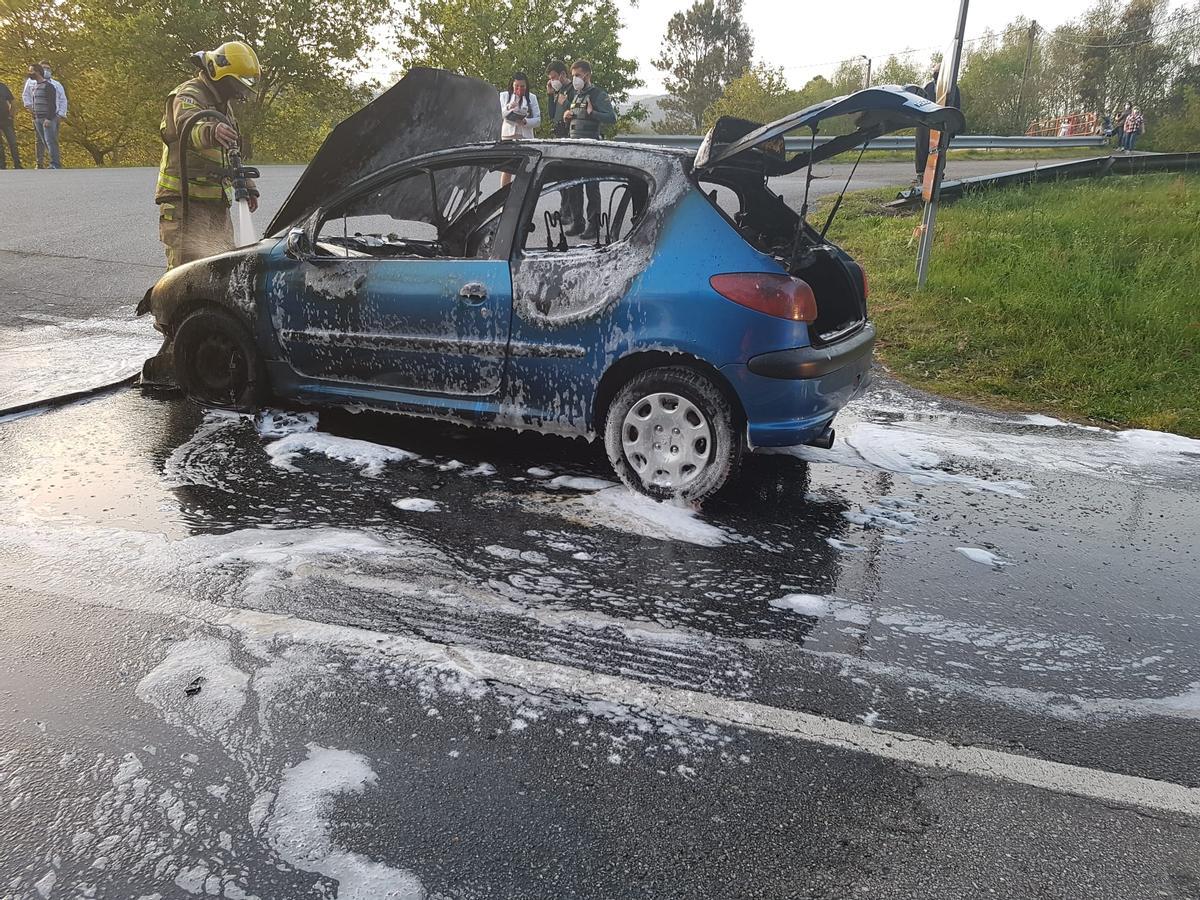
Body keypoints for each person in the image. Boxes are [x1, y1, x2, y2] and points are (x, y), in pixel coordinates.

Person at [156, 40, 261, 269]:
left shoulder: (222, 105)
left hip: (215, 203)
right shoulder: (189, 93)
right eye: (237, 85)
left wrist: (247, 184)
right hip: (187, 202)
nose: (239, 93)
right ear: (221, 74)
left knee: (222, 269)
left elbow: (232, 151)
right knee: (185, 275)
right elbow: (186, 126)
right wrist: (211, 130)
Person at [562, 59, 616, 239]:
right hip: (574, 146)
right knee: (573, 186)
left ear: (587, 75)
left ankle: (594, 226)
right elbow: (576, 117)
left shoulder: (598, 94)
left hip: (591, 145)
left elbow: (611, 117)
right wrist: (567, 116)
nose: (575, 79)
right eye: (573, 75)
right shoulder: (577, 95)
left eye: (577, 75)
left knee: (591, 187)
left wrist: (594, 113)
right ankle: (578, 223)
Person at [545, 61, 579, 229]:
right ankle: (564, 212)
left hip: (569, 136)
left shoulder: (573, 91)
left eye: (554, 77)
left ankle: (571, 214)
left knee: (569, 178)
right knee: (561, 178)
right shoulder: (559, 92)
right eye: (550, 79)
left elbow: (576, 113)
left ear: (563, 75)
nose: (552, 81)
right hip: (558, 135)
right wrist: (550, 95)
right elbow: (552, 115)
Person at [498, 72, 540, 186]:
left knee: (524, 168)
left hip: (525, 136)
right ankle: (503, 196)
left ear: (526, 86)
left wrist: (526, 121)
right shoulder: (504, 95)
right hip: (508, 135)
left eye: (522, 86)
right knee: (506, 169)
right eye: (516, 86)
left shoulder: (532, 98)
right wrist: (509, 107)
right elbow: (501, 114)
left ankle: (520, 196)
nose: (519, 89)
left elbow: (538, 120)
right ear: (512, 85)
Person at [27, 64, 62, 169]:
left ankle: (55, 163)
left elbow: (52, 104)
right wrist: (34, 116)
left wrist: (48, 118)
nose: (29, 73)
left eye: (31, 71)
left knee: (50, 141)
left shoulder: (48, 86)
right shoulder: (35, 86)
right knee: (44, 141)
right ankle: (51, 162)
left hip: (47, 118)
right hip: (37, 118)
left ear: (37, 72)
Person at [0, 80, 22, 169]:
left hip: (6, 120)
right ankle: (2, 166)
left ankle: (17, 165)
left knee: (13, 142)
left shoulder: (2, 86)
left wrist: (11, 116)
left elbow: (12, 101)